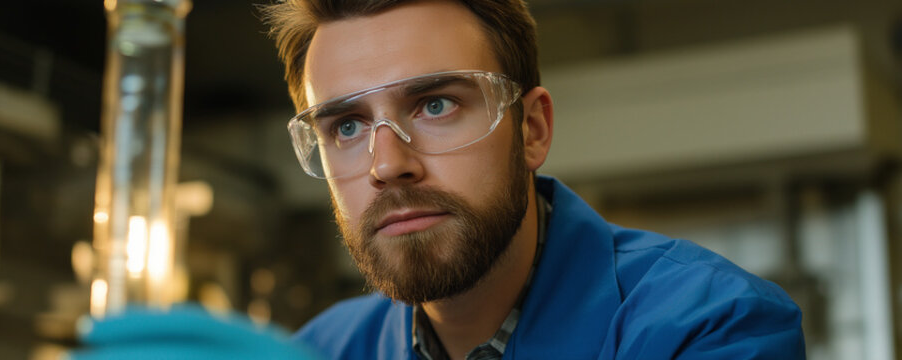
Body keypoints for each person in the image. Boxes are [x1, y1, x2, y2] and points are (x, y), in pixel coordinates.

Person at [73, 0, 806, 359]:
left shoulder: (711, 327)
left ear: (532, 128)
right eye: (346, 126)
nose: (387, 165)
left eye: (435, 104)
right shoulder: (326, 348)